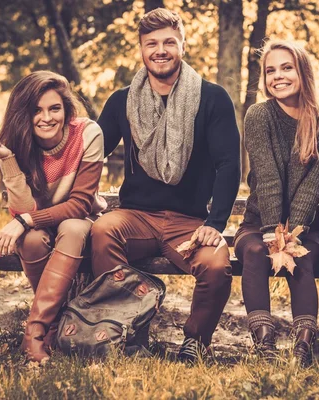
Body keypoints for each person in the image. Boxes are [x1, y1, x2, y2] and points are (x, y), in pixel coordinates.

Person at [91, 8, 240, 362]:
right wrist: (84, 196)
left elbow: (229, 165)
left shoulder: (211, 97)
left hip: (188, 222)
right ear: (141, 50)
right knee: (102, 231)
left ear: (182, 46)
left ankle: (195, 342)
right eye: (151, 43)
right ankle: (129, 334)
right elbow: (91, 152)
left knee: (217, 266)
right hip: (134, 217)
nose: (160, 50)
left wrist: (215, 224)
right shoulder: (122, 101)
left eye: (169, 42)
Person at [0, 71, 107, 363]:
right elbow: (23, 207)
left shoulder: (88, 134)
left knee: (73, 228)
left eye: (54, 108)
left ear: (66, 109)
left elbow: (79, 204)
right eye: (36, 110)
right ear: (25, 114)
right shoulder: (19, 141)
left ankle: (34, 333)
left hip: (81, 221)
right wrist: (7, 159)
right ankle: (53, 326)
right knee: (32, 242)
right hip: (41, 224)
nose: (46, 118)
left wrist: (25, 221)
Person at [234, 40, 319, 368]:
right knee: (254, 253)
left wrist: (292, 234)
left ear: (302, 72)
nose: (277, 76)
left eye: (286, 68)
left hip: (305, 226)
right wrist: (271, 232)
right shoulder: (259, 115)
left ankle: (302, 347)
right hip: (258, 224)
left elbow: (313, 185)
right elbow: (266, 176)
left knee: (302, 256)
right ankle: (265, 343)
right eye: (270, 71)